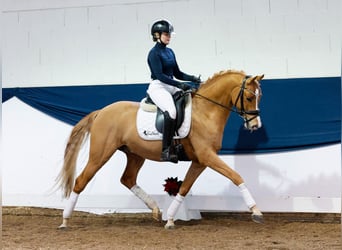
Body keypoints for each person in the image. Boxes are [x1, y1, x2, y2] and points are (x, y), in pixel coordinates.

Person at [146, 19, 201, 163]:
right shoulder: (153, 53)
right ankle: (166, 150)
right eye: (166, 34)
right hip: (159, 86)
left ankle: (181, 144)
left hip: (170, 84)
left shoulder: (170, 51)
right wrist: (179, 85)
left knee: (190, 101)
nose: (169, 36)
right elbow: (159, 75)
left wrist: (192, 78)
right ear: (157, 35)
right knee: (171, 111)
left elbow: (177, 73)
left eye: (169, 34)